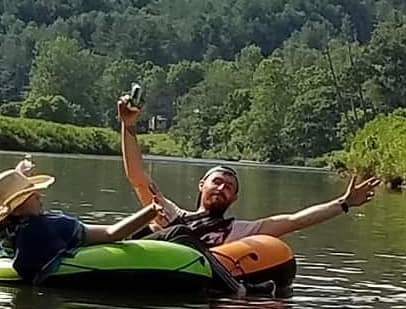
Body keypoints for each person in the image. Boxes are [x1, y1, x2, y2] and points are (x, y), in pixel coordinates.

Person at [115, 94, 381, 294]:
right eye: (217, 182)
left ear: (234, 199)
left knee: (183, 237)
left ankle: (230, 287)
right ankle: (238, 290)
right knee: (162, 228)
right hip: (155, 265)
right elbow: (137, 177)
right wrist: (128, 126)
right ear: (201, 185)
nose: (222, 188)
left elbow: (296, 220)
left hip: (195, 276)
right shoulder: (171, 213)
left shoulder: (241, 231)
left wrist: (344, 203)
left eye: (229, 187)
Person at [0, 157, 163, 285]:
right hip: (92, 245)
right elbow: (111, 234)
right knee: (162, 231)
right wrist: (151, 211)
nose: (39, 196)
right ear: (18, 207)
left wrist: (20, 174)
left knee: (152, 229)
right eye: (31, 194)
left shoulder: (6, 230)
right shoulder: (46, 229)